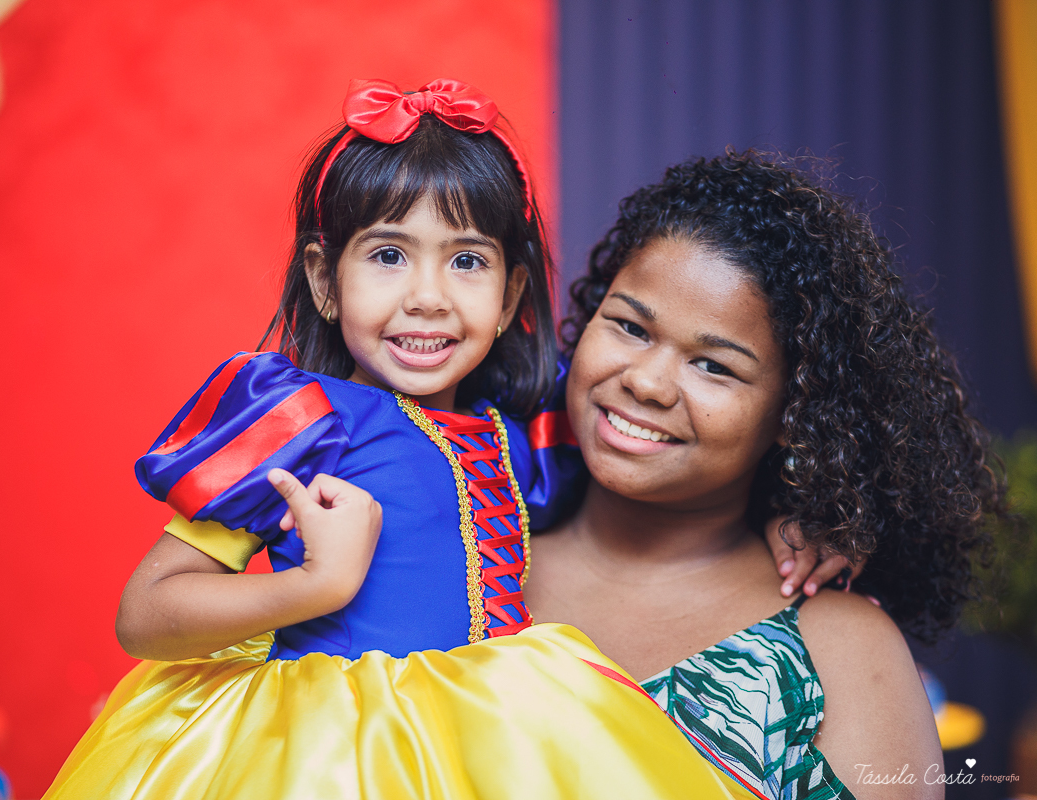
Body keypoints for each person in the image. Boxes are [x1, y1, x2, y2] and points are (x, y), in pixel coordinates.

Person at [44, 81, 791, 800]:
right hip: (319, 751)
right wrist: (314, 587)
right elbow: (143, 617)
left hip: (496, 737)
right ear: (325, 281)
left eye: (466, 261)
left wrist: (798, 515)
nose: (428, 296)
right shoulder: (301, 422)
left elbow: (676, 457)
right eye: (388, 255)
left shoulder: (518, 435)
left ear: (510, 298)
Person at [520, 150, 1011, 799]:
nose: (645, 381)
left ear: (794, 410)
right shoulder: (456, 563)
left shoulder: (837, 652)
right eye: (631, 327)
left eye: (714, 367)